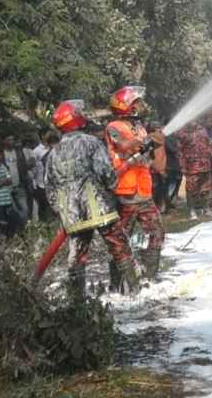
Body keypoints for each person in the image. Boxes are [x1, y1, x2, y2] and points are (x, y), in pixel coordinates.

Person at [46, 100, 141, 297]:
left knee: (78, 255)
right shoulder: (91, 143)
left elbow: (50, 189)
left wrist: (64, 210)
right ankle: (134, 292)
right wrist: (112, 189)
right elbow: (107, 174)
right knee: (119, 246)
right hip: (99, 209)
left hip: (72, 216)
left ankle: (77, 300)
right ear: (76, 118)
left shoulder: (53, 153)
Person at [104, 86, 166, 286]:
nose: (140, 105)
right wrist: (147, 141)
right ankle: (119, 284)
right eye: (135, 102)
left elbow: (146, 152)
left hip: (144, 192)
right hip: (125, 194)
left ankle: (150, 277)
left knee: (157, 233)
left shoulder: (139, 127)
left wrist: (154, 142)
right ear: (126, 106)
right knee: (121, 241)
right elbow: (125, 146)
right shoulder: (114, 126)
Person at [177, 119, 212, 219]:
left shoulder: (202, 130)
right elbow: (179, 151)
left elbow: (208, 147)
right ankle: (191, 211)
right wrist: (182, 166)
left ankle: (206, 209)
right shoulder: (182, 133)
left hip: (205, 164)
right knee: (191, 190)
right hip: (192, 166)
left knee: (206, 188)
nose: (194, 121)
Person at [2, 134, 34, 227]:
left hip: (19, 185)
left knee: (25, 208)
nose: (11, 142)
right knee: (13, 210)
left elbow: (23, 166)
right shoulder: (1, 154)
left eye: (12, 140)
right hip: (7, 187)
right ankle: (19, 228)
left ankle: (25, 228)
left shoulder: (19, 152)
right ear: (4, 141)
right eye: (9, 140)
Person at [32, 130, 59, 224]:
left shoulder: (57, 151)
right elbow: (34, 168)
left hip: (56, 183)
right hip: (42, 184)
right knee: (45, 207)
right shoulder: (37, 151)